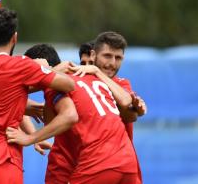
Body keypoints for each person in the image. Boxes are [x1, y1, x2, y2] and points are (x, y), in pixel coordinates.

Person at [0, 9, 76, 184]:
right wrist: (46, 70)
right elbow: (69, 84)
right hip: (3, 158)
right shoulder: (21, 66)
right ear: (14, 38)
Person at [23, 44, 139, 184]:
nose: (85, 67)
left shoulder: (59, 86)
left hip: (94, 160)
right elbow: (130, 107)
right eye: (83, 63)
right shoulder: (99, 82)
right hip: (125, 160)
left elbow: (67, 117)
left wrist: (31, 138)